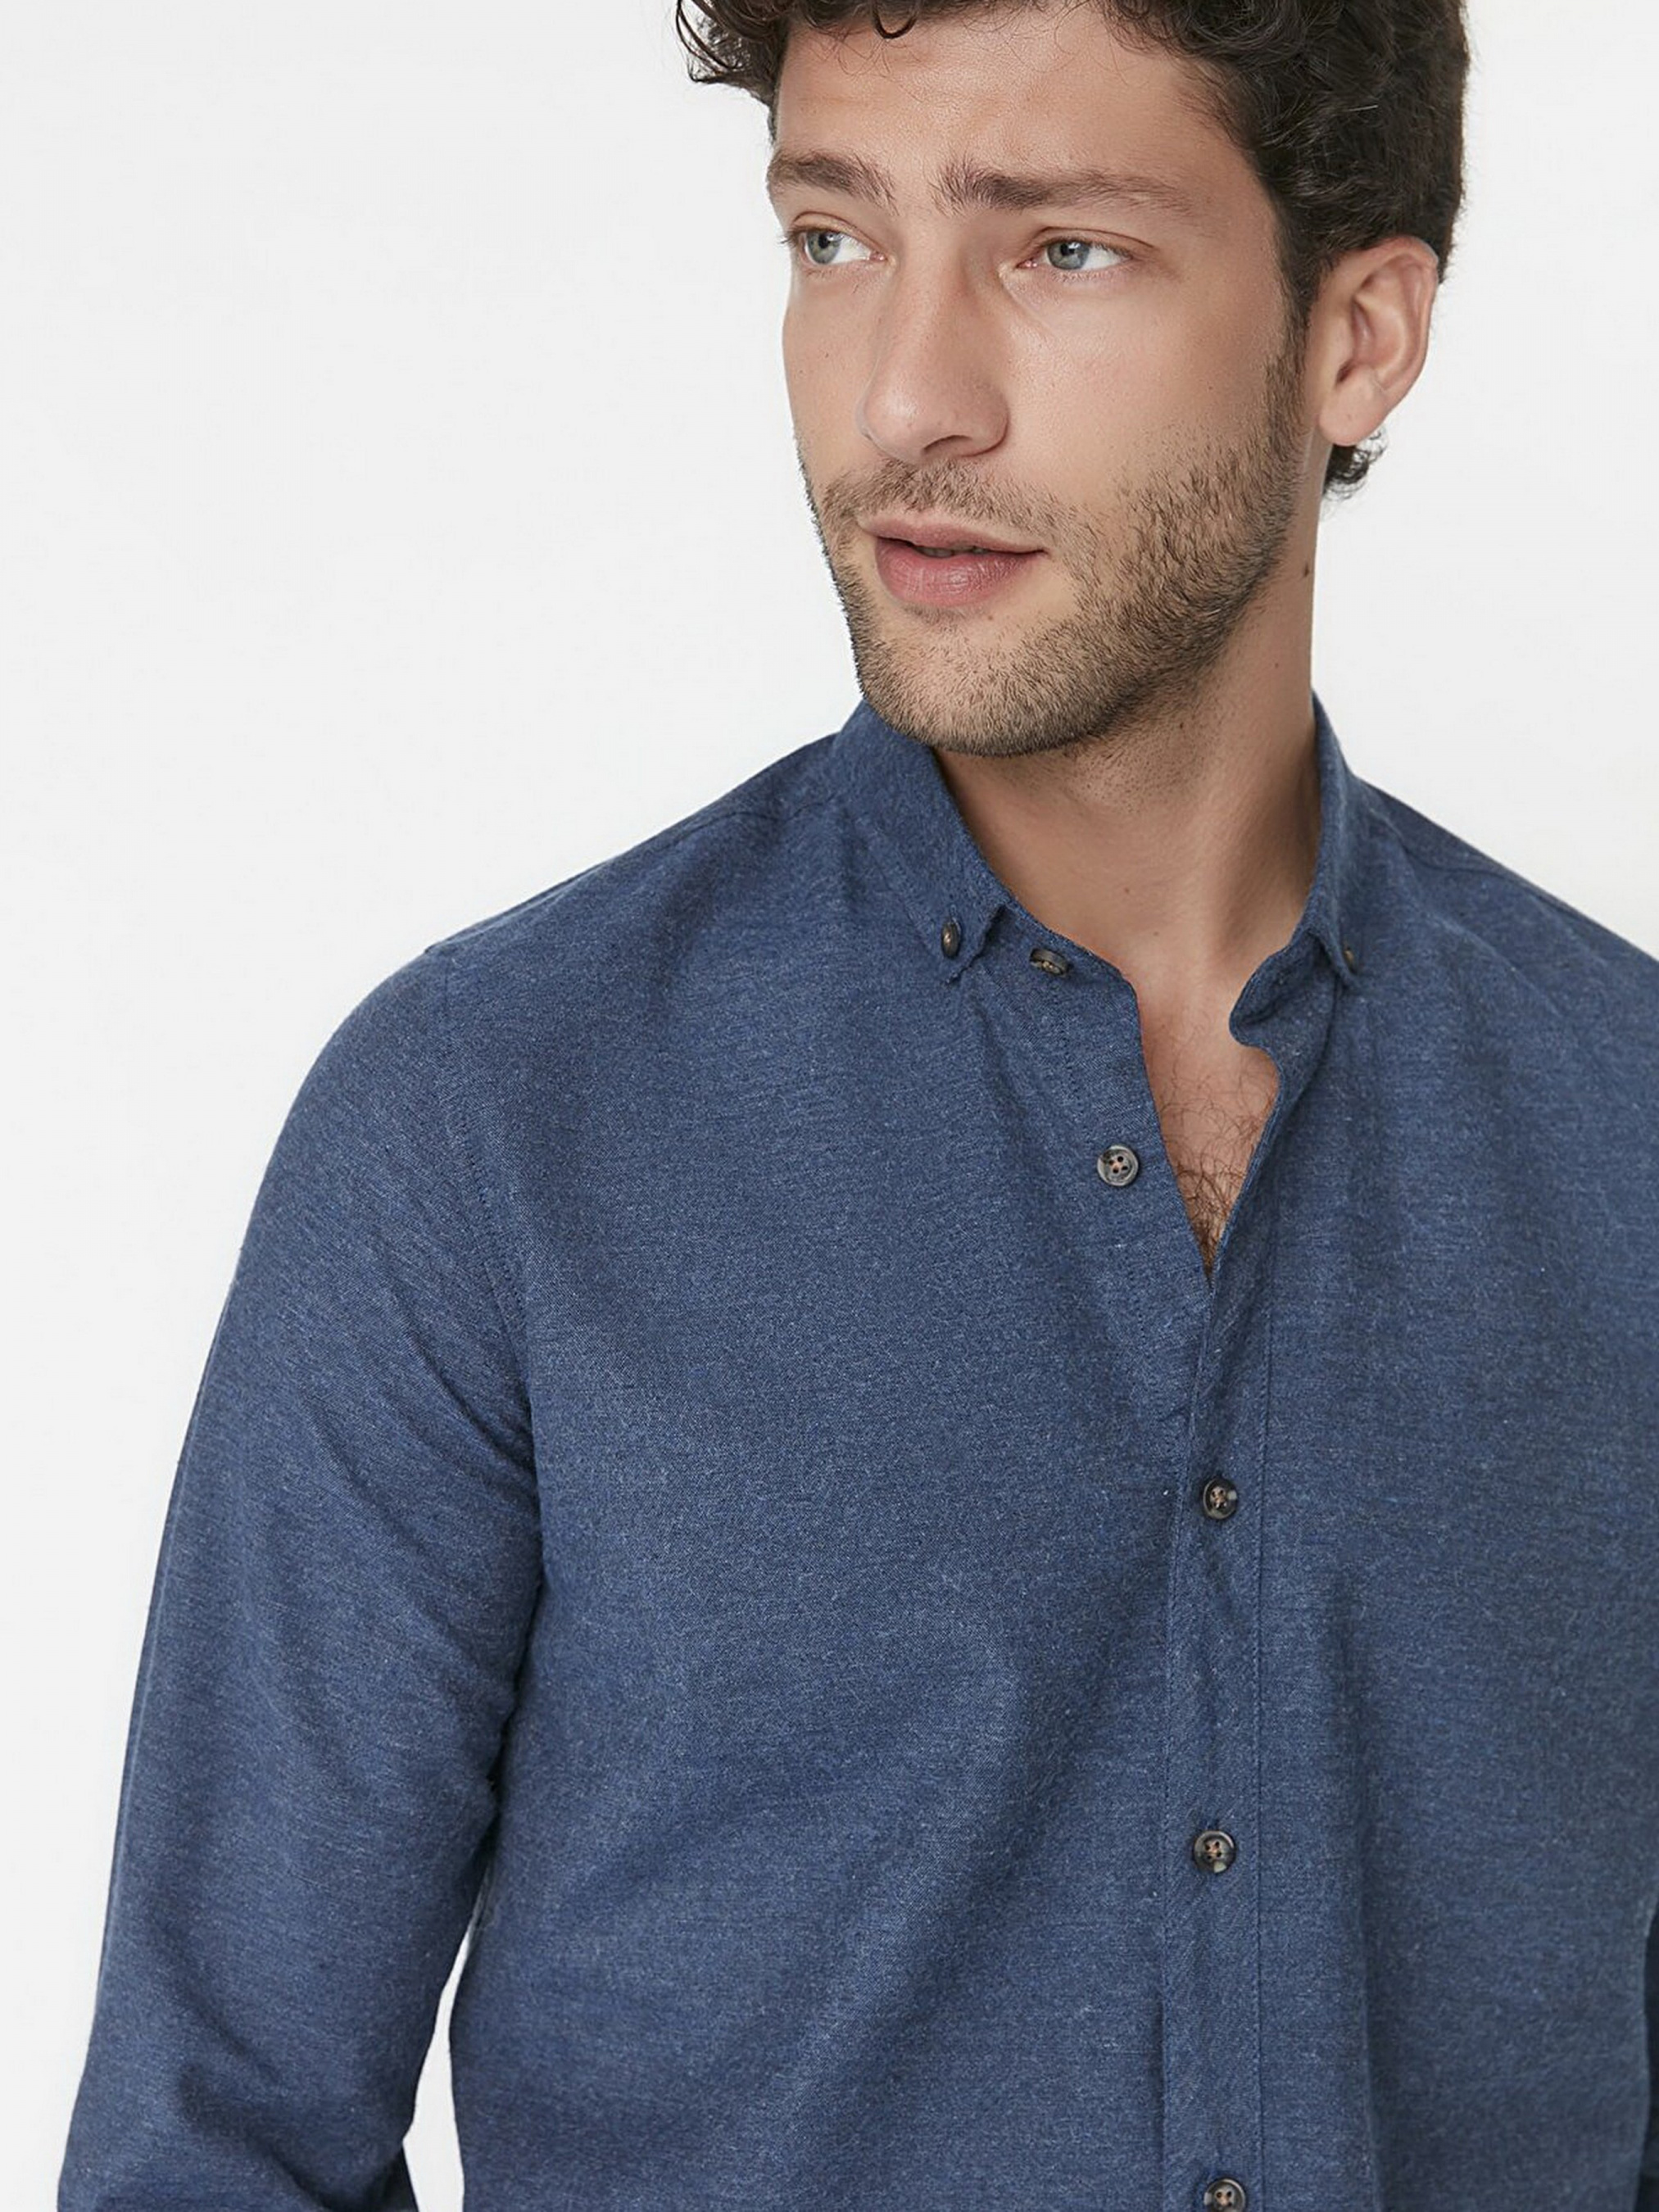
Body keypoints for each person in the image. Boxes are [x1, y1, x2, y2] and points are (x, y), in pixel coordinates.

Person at [57, 2, 1659, 2207]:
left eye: (1061, 251)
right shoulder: (489, 1130)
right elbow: (214, 2143)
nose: (905, 396)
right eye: (833, 238)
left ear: (1355, 338)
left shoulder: (1626, 1132)